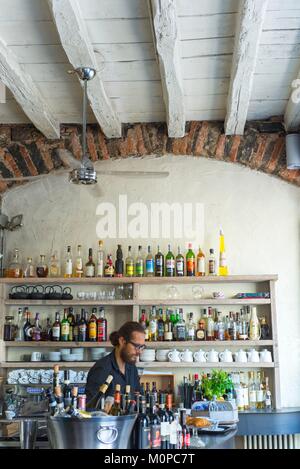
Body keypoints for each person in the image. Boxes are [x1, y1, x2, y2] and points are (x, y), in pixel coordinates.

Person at [85, 321, 145, 404]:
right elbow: (91, 409)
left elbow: (138, 395)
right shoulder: (101, 369)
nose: (139, 352)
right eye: (136, 346)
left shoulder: (131, 367)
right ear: (122, 341)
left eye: (142, 347)